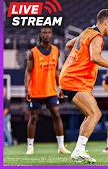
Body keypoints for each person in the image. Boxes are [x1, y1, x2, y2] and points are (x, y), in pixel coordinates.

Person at [59, 9, 108, 164]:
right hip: (75, 80)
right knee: (95, 114)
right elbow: (95, 57)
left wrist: (79, 56)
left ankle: (79, 150)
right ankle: (79, 150)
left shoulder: (86, 32)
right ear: (106, 22)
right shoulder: (97, 36)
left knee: (90, 114)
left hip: (70, 78)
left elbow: (70, 44)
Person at [24, 26, 70, 155]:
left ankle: (61, 147)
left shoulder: (56, 51)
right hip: (36, 91)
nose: (47, 35)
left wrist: (61, 86)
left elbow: (56, 71)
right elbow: (28, 72)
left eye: (49, 33)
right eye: (44, 33)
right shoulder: (33, 52)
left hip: (51, 91)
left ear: (52, 35)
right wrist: (26, 89)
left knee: (56, 115)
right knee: (33, 118)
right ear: (41, 35)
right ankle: (30, 147)